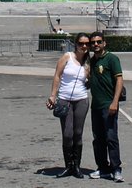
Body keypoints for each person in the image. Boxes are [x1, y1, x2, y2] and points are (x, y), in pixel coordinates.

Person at [46, 33, 91, 178]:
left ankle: (76, 166)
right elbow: (57, 76)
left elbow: (92, 81)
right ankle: (68, 166)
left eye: (86, 44)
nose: (84, 46)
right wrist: (53, 95)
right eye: (81, 43)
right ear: (75, 44)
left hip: (82, 99)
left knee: (78, 133)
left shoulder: (90, 61)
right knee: (67, 134)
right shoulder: (67, 57)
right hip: (65, 99)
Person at [88, 32, 124, 182]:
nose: (95, 44)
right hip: (95, 106)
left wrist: (115, 102)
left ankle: (116, 169)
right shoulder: (91, 61)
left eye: (98, 42)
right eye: (93, 42)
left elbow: (119, 80)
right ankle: (103, 168)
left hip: (108, 105)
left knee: (111, 137)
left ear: (104, 43)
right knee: (98, 139)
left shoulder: (112, 59)